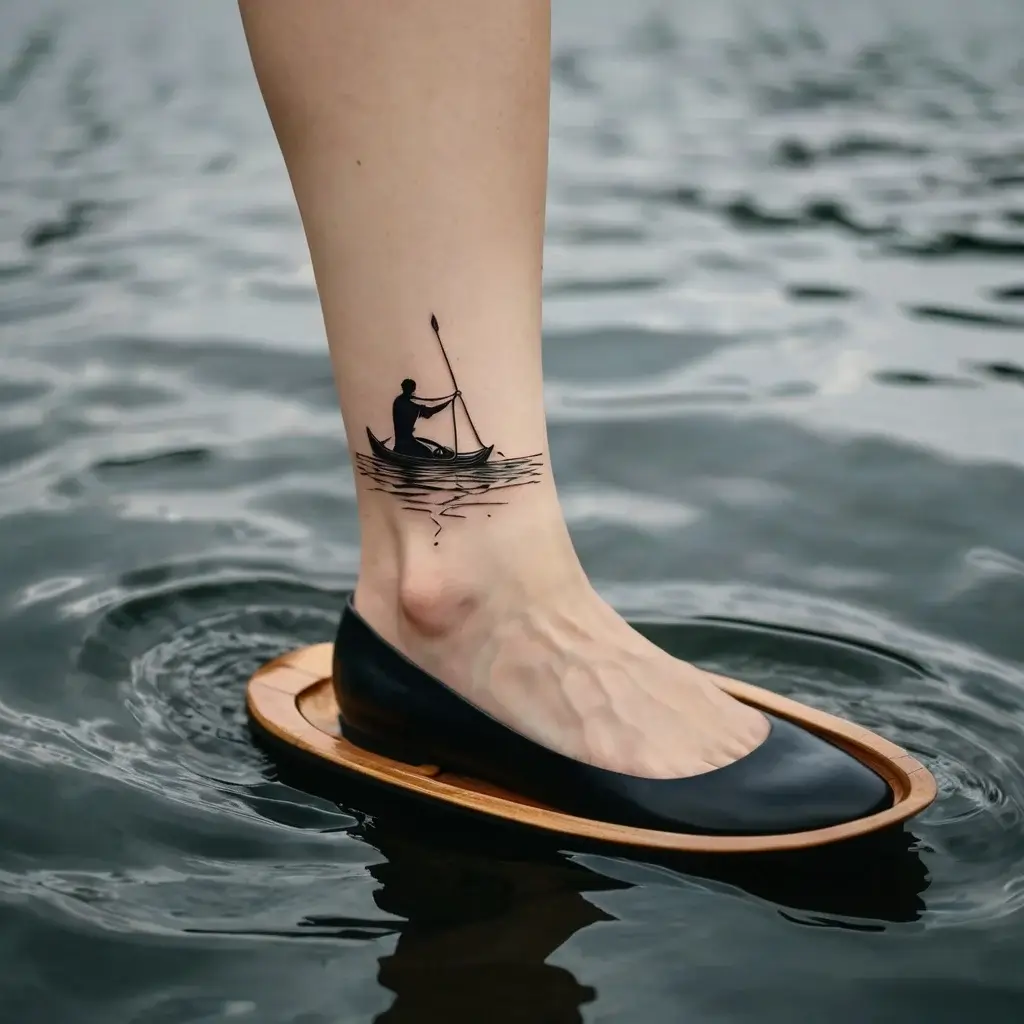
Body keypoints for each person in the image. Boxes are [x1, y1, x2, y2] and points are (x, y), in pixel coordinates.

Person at [237, 2, 889, 830]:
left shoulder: (419, 406)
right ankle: (466, 579)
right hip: (407, 444)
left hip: (420, 438)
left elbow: (436, 404)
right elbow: (425, 406)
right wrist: (442, 403)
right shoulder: (407, 405)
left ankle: (469, 581)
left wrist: (447, 403)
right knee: (430, 463)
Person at [391, 379, 457, 458]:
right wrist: (449, 401)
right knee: (429, 454)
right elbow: (431, 411)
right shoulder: (411, 406)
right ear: (413, 390)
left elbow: (403, 422)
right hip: (406, 446)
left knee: (428, 450)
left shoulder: (397, 401)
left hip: (400, 444)